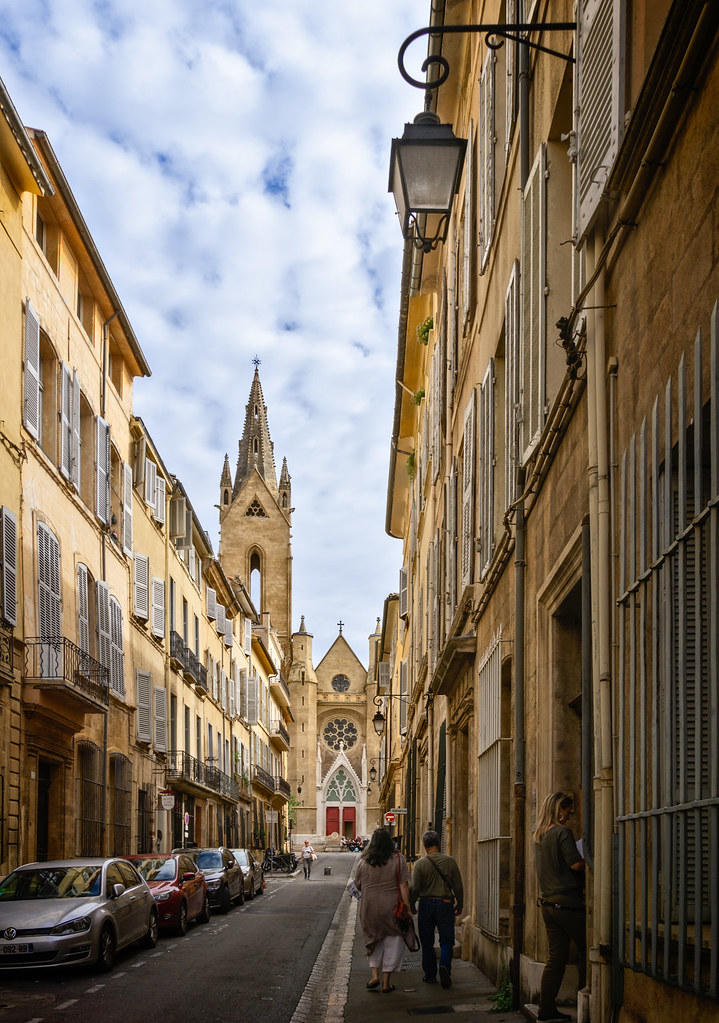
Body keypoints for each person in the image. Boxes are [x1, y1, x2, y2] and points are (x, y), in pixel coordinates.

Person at [533, 792, 586, 1023]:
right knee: (588, 949)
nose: (568, 816)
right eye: (567, 811)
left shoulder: (540, 836)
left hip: (547, 903)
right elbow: (575, 864)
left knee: (556, 958)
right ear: (559, 809)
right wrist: (590, 859)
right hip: (567, 901)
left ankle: (545, 1009)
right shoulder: (561, 832)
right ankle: (588, 999)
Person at [354, 827, 411, 993]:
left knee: (373, 939)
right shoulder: (398, 859)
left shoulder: (363, 861)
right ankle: (386, 982)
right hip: (391, 908)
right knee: (393, 942)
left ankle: (374, 976)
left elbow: (357, 885)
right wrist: (407, 907)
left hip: (369, 908)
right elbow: (403, 885)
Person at [409, 829, 463, 989]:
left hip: (425, 904)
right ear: (439, 843)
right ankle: (444, 965)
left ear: (425, 846)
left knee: (427, 942)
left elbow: (414, 888)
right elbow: (458, 886)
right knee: (446, 941)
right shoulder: (450, 861)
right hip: (445, 903)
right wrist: (460, 904)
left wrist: (412, 905)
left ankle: (430, 974)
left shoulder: (420, 864)